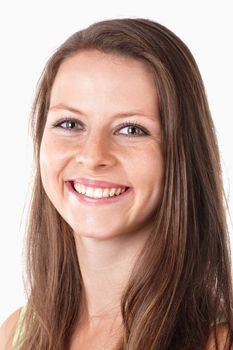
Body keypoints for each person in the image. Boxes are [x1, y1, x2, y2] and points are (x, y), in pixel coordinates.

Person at [0, 18, 232, 350]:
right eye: (70, 123)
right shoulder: (14, 335)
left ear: (180, 156)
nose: (93, 156)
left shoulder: (219, 343)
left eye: (131, 130)